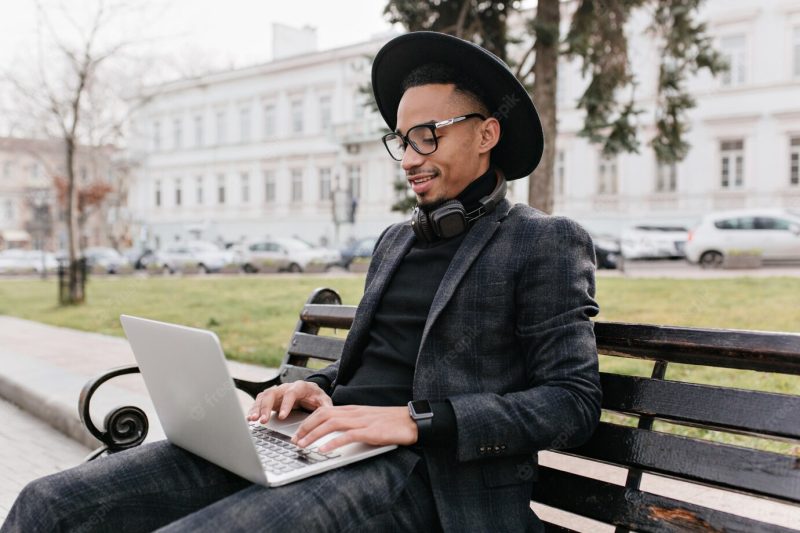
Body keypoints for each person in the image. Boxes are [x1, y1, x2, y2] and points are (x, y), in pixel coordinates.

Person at [2, 31, 601, 532]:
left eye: (429, 134)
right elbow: (371, 367)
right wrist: (314, 387)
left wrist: (416, 421)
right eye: (402, 139)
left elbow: (572, 403)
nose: (411, 156)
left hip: (430, 482)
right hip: (321, 443)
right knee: (46, 504)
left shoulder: (542, 241)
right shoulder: (397, 241)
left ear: (487, 134)